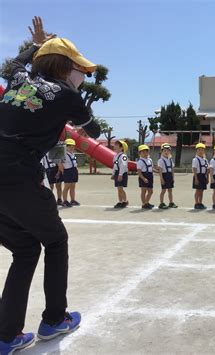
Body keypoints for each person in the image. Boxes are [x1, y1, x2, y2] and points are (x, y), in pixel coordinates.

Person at [0, 17, 100, 353]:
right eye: (80, 70)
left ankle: (6, 337)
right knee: (56, 241)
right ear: (65, 67)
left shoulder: (18, 80)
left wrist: (37, 46)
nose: (83, 76)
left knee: (26, 250)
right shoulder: (68, 96)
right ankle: (55, 318)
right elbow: (95, 131)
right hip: (19, 178)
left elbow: (14, 63)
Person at [157, 143, 177, 209]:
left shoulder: (170, 160)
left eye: (168, 151)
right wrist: (161, 179)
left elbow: (172, 169)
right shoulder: (160, 160)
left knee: (170, 190)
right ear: (161, 151)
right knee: (163, 190)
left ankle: (171, 202)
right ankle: (161, 203)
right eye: (164, 151)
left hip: (170, 176)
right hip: (164, 176)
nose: (166, 152)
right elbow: (160, 170)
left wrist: (173, 177)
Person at [61, 138, 79, 207]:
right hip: (68, 171)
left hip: (74, 170)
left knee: (73, 186)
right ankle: (65, 201)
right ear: (65, 146)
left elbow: (74, 162)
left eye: (73, 146)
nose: (71, 147)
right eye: (69, 146)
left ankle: (72, 200)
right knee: (67, 187)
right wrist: (63, 172)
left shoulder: (73, 154)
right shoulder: (64, 154)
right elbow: (61, 164)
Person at [111, 140, 129, 209]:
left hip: (122, 173)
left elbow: (123, 166)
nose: (114, 146)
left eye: (117, 145)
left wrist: (120, 175)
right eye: (115, 144)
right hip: (117, 173)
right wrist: (113, 174)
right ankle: (120, 201)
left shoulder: (123, 156)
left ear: (122, 148)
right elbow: (115, 166)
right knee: (118, 188)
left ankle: (125, 201)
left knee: (120, 188)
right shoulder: (115, 156)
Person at [137, 144, 154, 210]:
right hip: (143, 176)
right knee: (143, 191)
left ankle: (147, 202)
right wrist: (143, 178)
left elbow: (151, 168)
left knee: (150, 191)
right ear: (139, 153)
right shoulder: (140, 161)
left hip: (150, 176)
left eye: (146, 151)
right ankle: (144, 204)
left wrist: (157, 171)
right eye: (143, 152)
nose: (145, 153)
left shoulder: (150, 160)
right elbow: (139, 172)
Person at [192, 143, 209, 210]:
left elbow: (207, 169)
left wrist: (207, 178)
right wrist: (196, 178)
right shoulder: (195, 160)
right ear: (197, 151)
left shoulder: (205, 160)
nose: (201, 151)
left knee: (202, 191)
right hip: (198, 176)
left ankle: (200, 203)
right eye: (199, 150)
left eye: (202, 150)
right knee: (198, 190)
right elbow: (194, 169)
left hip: (203, 176)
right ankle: (196, 203)